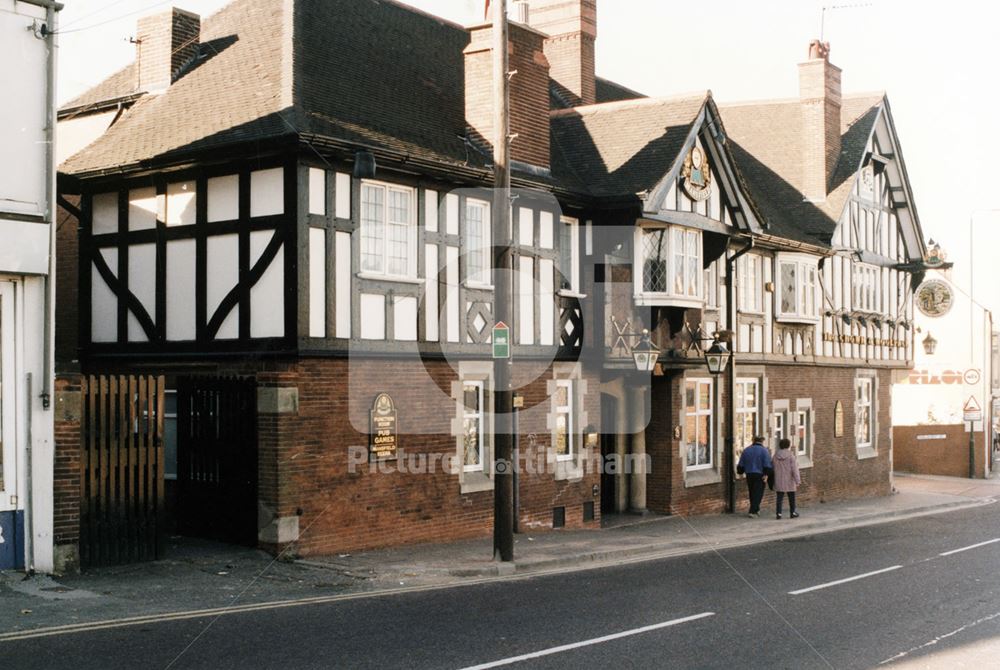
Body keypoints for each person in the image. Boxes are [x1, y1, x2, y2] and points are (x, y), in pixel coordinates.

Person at [736, 435, 772, 518]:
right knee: (758, 493)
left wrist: (740, 471)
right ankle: (752, 511)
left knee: (752, 492)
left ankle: (756, 509)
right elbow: (767, 464)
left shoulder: (746, 450)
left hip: (749, 474)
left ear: (754, 441)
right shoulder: (764, 451)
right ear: (762, 441)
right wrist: (766, 474)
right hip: (760, 474)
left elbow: (741, 464)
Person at [772, 438, 801, 519]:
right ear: (788, 445)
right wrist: (797, 480)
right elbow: (794, 469)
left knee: (779, 497)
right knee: (791, 497)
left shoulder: (775, 456)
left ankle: (778, 513)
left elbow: (772, 467)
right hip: (789, 479)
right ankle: (792, 512)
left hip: (779, 479)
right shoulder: (791, 456)